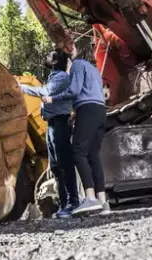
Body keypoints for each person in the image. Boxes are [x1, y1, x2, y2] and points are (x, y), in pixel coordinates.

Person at [44, 43, 110, 217]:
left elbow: (74, 90)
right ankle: (103, 202)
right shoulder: (95, 70)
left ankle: (89, 198)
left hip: (87, 110)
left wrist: (52, 98)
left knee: (78, 152)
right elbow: (93, 93)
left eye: (71, 49)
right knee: (93, 156)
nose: (68, 51)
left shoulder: (79, 65)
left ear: (78, 51)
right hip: (100, 111)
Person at [19, 50, 79, 218]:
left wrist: (20, 87)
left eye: (49, 55)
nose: (45, 56)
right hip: (53, 124)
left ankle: (72, 203)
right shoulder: (55, 76)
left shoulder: (60, 77)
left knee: (64, 165)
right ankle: (64, 204)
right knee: (56, 167)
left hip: (60, 124)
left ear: (55, 61)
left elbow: (46, 92)